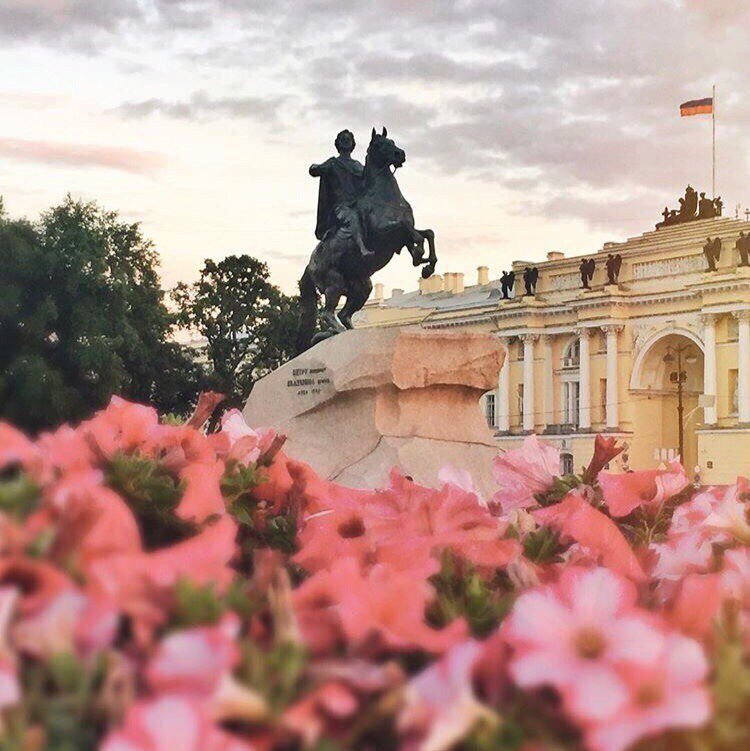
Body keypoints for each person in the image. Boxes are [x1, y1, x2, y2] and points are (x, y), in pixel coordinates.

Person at [310, 130, 372, 257]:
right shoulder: (333, 163)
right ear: (338, 143)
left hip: (357, 205)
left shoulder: (358, 166)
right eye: (342, 138)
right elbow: (314, 170)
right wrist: (316, 168)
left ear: (352, 144)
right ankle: (362, 248)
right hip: (340, 208)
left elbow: (369, 180)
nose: (346, 140)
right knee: (352, 217)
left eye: (348, 138)